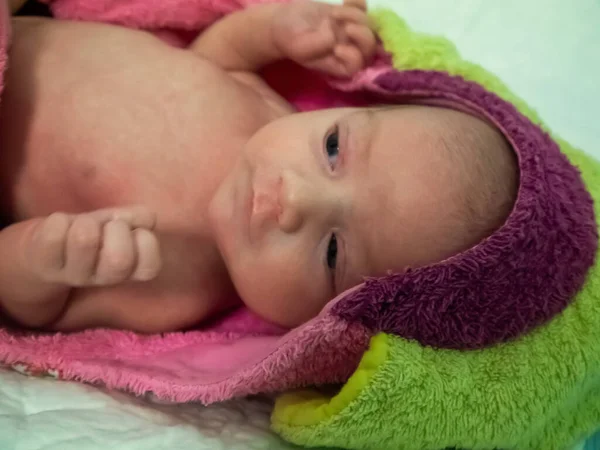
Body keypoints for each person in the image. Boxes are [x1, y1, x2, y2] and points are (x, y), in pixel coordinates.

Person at [0, 0, 517, 332]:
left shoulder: (176, 289)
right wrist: (276, 31)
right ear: (343, 111)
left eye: (333, 251)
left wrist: (44, 258)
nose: (296, 199)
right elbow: (213, 54)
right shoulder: (263, 109)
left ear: (322, 320)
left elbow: (37, 309)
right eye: (334, 149)